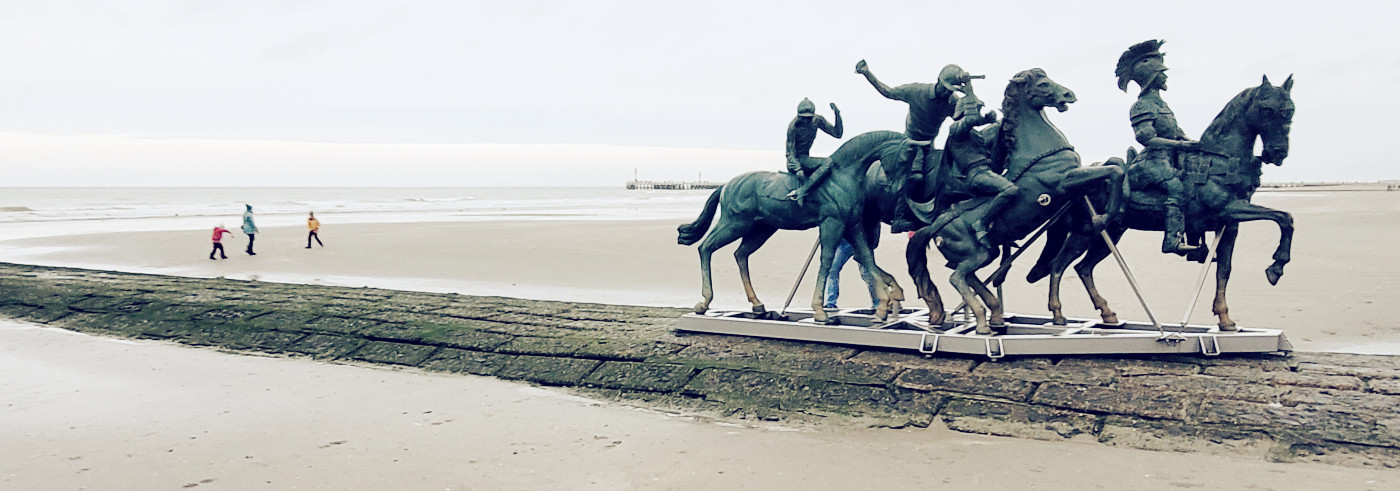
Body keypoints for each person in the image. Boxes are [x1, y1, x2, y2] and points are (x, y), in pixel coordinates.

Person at [856, 60, 981, 233]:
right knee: (914, 177)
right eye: (946, 88)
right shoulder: (917, 91)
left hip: (930, 145)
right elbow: (889, 92)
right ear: (939, 82)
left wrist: (969, 91)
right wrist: (867, 73)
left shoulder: (951, 101)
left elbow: (968, 119)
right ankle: (899, 217)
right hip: (910, 143)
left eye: (951, 90)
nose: (947, 93)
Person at [1116, 39, 1199, 255]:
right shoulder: (1142, 105)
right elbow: (1147, 140)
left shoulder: (1163, 105)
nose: (1165, 76)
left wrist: (1195, 145)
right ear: (1152, 77)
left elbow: (1177, 133)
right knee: (1177, 189)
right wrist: (1181, 144)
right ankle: (1171, 241)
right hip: (1151, 163)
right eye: (1162, 73)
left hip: (1168, 159)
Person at [943, 83, 1016, 246]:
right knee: (1011, 189)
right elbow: (969, 120)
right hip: (976, 175)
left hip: (986, 172)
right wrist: (969, 90)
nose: (978, 112)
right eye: (976, 109)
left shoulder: (974, 134)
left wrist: (990, 120)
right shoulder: (955, 129)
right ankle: (981, 223)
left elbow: (975, 122)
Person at [783, 98, 843, 205]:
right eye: (803, 118)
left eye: (808, 118)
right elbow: (789, 153)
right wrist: (798, 168)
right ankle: (803, 190)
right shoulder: (793, 126)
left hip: (806, 158)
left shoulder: (817, 120)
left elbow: (837, 133)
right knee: (827, 162)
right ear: (798, 116)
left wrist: (837, 115)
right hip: (796, 161)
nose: (806, 121)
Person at [823, 239, 879, 310]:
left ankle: (878, 302)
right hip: (845, 242)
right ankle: (830, 303)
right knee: (832, 270)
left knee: (868, 274)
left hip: (861, 241)